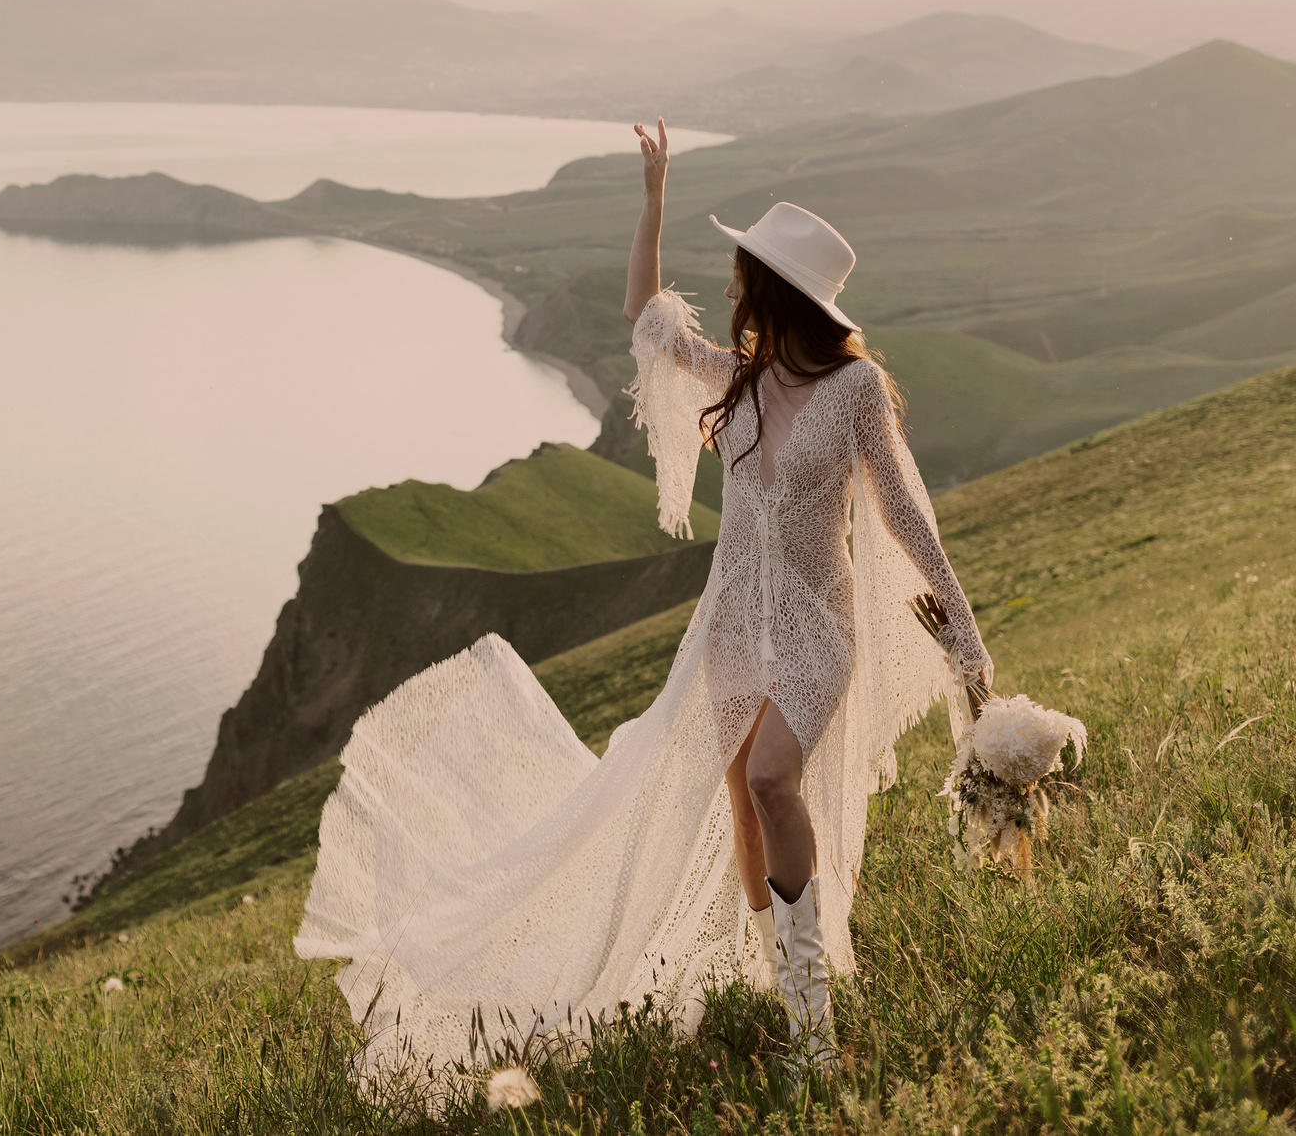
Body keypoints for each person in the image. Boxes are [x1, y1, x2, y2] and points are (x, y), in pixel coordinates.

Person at [295, 119, 993, 1081]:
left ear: (778, 289)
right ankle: (780, 981)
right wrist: (655, 194)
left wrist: (963, 632)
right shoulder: (740, 377)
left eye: (750, 271)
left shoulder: (857, 389)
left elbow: (909, 514)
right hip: (732, 628)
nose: (739, 282)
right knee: (744, 809)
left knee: (769, 782)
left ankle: (813, 1031)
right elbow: (644, 314)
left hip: (814, 631)